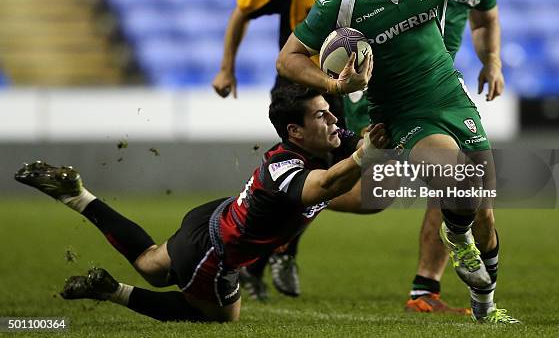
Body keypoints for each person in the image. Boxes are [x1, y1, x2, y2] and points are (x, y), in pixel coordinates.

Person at [277, 0, 559, 323]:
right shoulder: (343, 0)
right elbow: (289, 58)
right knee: (456, 181)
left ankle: (486, 305)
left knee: (483, 206)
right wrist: (335, 83)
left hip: (450, 96)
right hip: (403, 114)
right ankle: (454, 235)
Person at [14, 85, 387, 323]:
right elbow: (326, 185)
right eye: (322, 114)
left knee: (152, 266)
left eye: (329, 111)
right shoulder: (284, 166)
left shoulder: (326, 139)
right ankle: (112, 288)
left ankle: (78, 196)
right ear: (295, 131)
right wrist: (364, 157)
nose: (334, 119)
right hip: (217, 250)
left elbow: (358, 148)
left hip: (212, 218)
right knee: (220, 316)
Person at [211, 0, 359, 299]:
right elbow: (243, 7)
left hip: (338, 97)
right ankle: (264, 254)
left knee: (325, 181)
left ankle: (263, 258)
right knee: (308, 180)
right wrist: (227, 68)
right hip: (296, 97)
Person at [400, 0, 503, 315]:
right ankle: (277, 216)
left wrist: (492, 61)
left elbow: (485, 20)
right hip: (384, 82)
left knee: (465, 186)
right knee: (349, 193)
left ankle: (426, 289)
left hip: (439, 86)